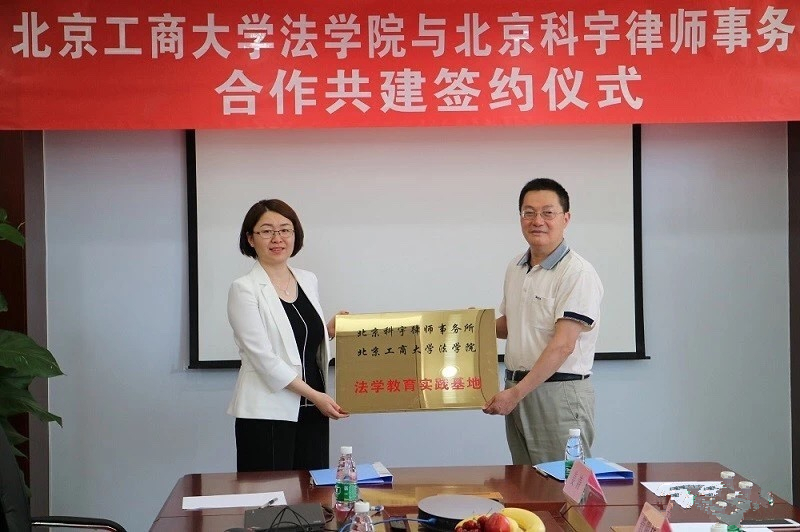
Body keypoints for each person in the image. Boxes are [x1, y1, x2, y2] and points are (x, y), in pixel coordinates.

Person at [483, 178, 603, 466]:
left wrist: (516, 394)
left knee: (563, 484)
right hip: (516, 387)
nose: (537, 221)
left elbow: (563, 345)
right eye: (529, 213)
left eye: (548, 213)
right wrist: (467, 327)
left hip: (558, 394)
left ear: (566, 218)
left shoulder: (577, 273)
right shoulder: (516, 267)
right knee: (525, 483)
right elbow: (512, 325)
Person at [227, 199, 348, 472]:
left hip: (313, 409)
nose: (277, 238)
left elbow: (294, 338)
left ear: (295, 235)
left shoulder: (308, 279)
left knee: (313, 491)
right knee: (271, 495)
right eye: (266, 231)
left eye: (285, 229)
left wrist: (326, 331)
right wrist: (315, 395)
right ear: (250, 238)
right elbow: (263, 357)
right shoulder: (244, 288)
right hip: (267, 412)